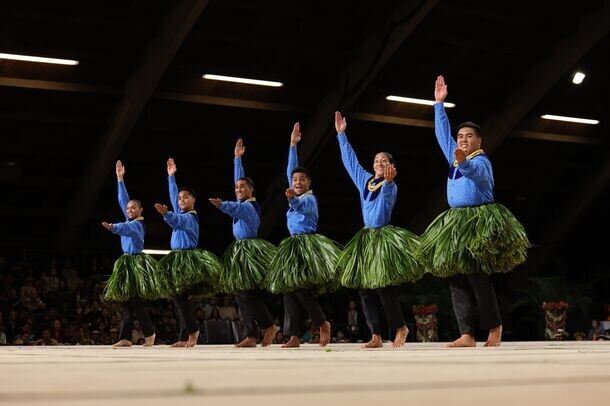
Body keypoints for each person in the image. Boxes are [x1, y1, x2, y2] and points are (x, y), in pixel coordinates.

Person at [419, 75, 530, 347]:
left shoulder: (482, 161)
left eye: (469, 136)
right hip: (455, 222)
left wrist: (463, 162)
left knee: (478, 277)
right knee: (455, 278)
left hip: (478, 221)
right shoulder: (453, 154)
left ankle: (494, 326)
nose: (463, 140)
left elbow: (477, 176)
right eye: (460, 136)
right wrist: (438, 104)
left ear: (479, 140)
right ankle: (466, 333)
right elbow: (441, 134)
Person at [334, 111, 422, 348]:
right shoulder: (365, 180)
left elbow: (386, 203)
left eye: (384, 161)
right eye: (376, 161)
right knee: (364, 289)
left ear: (391, 166)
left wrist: (390, 183)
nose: (379, 164)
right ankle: (375, 335)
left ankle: (400, 327)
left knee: (383, 287)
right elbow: (350, 161)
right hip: (366, 237)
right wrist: (342, 135)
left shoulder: (389, 185)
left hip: (382, 237)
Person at [266, 122, 342, 348]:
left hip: (306, 245)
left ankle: (322, 323)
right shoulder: (295, 186)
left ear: (309, 183)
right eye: (295, 180)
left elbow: (299, 205)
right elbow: (291, 171)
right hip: (293, 245)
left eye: (302, 180)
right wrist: (292, 146)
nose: (297, 182)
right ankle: (294, 335)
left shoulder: (309, 199)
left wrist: (291, 199)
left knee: (299, 289)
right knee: (289, 290)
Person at [209, 138, 278, 347]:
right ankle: (259, 330)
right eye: (236, 187)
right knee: (243, 294)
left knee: (246, 293)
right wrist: (237, 159)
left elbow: (235, 208)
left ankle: (259, 330)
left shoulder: (250, 206)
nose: (238, 188)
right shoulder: (243, 200)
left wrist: (222, 205)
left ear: (251, 189)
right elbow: (237, 181)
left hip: (249, 251)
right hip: (240, 250)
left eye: (242, 187)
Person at [155, 158, 223, 347]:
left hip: (186, 258)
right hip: (177, 257)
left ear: (194, 200)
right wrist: (171, 177)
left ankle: (192, 331)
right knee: (180, 297)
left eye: (186, 197)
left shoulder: (190, 217)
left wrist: (166, 214)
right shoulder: (181, 211)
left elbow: (177, 221)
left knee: (179, 296)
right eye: (180, 198)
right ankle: (185, 335)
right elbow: (173, 194)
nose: (182, 200)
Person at [101, 160, 157, 347]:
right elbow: (122, 199)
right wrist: (119, 178)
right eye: (128, 209)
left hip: (135, 264)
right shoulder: (129, 218)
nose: (130, 210)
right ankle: (125, 337)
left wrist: (113, 227)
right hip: (126, 263)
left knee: (135, 302)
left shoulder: (137, 224)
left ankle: (149, 333)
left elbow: (126, 229)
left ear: (141, 210)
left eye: (134, 208)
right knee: (125, 302)